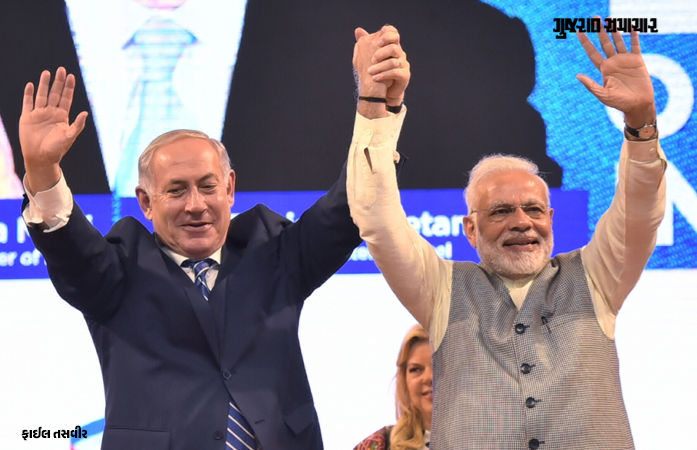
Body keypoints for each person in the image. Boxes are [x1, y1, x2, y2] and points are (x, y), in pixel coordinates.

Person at [19, 25, 409, 450]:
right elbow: (68, 244)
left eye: (208, 187)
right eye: (176, 190)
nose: (196, 205)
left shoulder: (271, 250)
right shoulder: (117, 270)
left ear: (230, 188)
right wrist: (42, 171)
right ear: (145, 202)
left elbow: (351, 205)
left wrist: (375, 105)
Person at [347, 23, 666, 449]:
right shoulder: (442, 290)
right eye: (501, 211)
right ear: (470, 229)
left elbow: (641, 212)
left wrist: (641, 121)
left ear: (550, 219)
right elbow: (376, 216)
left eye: (533, 209)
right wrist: (374, 105)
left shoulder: (596, 278)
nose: (521, 222)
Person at [354, 324, 432, 450]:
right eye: (416, 369)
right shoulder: (378, 445)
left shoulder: (468, 439)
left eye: (438, 367)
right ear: (404, 379)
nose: (428, 377)